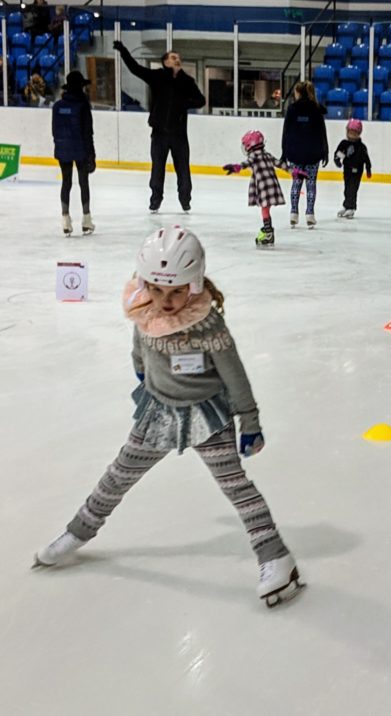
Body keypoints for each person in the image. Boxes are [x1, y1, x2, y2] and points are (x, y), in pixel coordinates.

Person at [33, 226, 302, 607]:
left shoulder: (208, 324)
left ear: (193, 283)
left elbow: (234, 373)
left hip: (207, 417)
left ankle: (276, 557)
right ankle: (78, 532)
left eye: (176, 291)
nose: (166, 300)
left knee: (236, 488)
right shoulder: (144, 307)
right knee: (118, 476)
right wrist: (142, 372)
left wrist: (250, 420)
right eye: (158, 289)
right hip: (158, 412)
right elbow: (140, 345)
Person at [112, 41, 206, 213]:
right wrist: (124, 51)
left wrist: (183, 104)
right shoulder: (157, 77)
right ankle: (155, 200)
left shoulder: (187, 81)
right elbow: (135, 69)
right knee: (157, 167)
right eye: (173, 57)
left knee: (183, 168)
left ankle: (185, 200)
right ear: (165, 62)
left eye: (178, 57)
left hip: (179, 133)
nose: (177, 59)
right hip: (159, 132)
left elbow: (201, 100)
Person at [222, 129, 301, 248]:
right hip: (271, 185)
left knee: (264, 209)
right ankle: (267, 230)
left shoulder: (254, 156)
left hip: (264, 187)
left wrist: (236, 167)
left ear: (250, 145)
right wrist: (294, 172)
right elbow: (281, 164)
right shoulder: (267, 154)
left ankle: (268, 232)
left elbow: (246, 164)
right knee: (266, 209)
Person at [51, 70, 96, 235]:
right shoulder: (83, 106)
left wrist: (60, 145)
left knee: (66, 182)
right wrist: (92, 154)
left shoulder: (57, 107)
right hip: (81, 149)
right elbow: (87, 132)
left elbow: (54, 131)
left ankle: (65, 218)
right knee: (83, 182)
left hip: (62, 148)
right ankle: (86, 218)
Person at [281, 81, 328, 229]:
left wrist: (284, 152)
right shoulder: (316, 109)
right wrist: (325, 151)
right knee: (311, 183)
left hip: (295, 152)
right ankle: (310, 214)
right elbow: (322, 132)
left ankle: (293, 213)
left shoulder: (292, 109)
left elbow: (286, 132)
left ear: (298, 92)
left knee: (296, 182)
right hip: (313, 152)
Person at [333, 118, 372, 219]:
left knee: (353, 189)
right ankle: (346, 206)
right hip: (347, 170)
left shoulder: (361, 147)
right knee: (346, 189)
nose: (351, 135)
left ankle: (352, 207)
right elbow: (339, 153)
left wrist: (368, 169)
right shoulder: (344, 144)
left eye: (354, 133)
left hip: (357, 171)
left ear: (358, 133)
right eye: (349, 132)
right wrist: (337, 160)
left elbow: (366, 159)